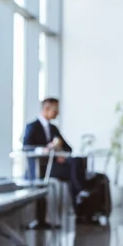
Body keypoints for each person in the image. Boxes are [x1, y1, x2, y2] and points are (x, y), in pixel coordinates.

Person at [23, 98, 96, 228]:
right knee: (76, 172)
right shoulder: (32, 127)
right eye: (55, 110)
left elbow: (69, 148)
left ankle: (82, 208)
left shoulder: (53, 128)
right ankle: (80, 193)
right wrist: (47, 149)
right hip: (41, 168)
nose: (58, 113)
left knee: (77, 165)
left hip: (55, 166)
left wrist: (59, 152)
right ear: (46, 109)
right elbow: (27, 148)